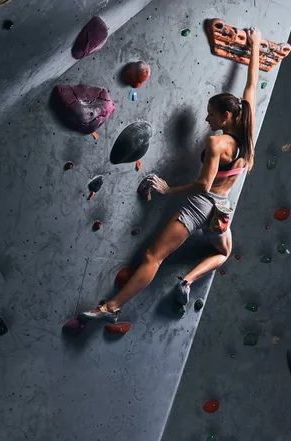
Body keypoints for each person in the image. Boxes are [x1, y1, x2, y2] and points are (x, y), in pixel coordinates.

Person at [79, 27, 262, 323]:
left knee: (153, 256)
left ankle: (111, 309)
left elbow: (203, 185)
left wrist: (166, 189)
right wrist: (255, 45)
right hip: (223, 212)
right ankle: (187, 281)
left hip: (202, 206)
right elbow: (252, 84)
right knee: (224, 252)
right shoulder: (247, 134)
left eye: (211, 114)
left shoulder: (218, 143)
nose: (207, 119)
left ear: (225, 117)